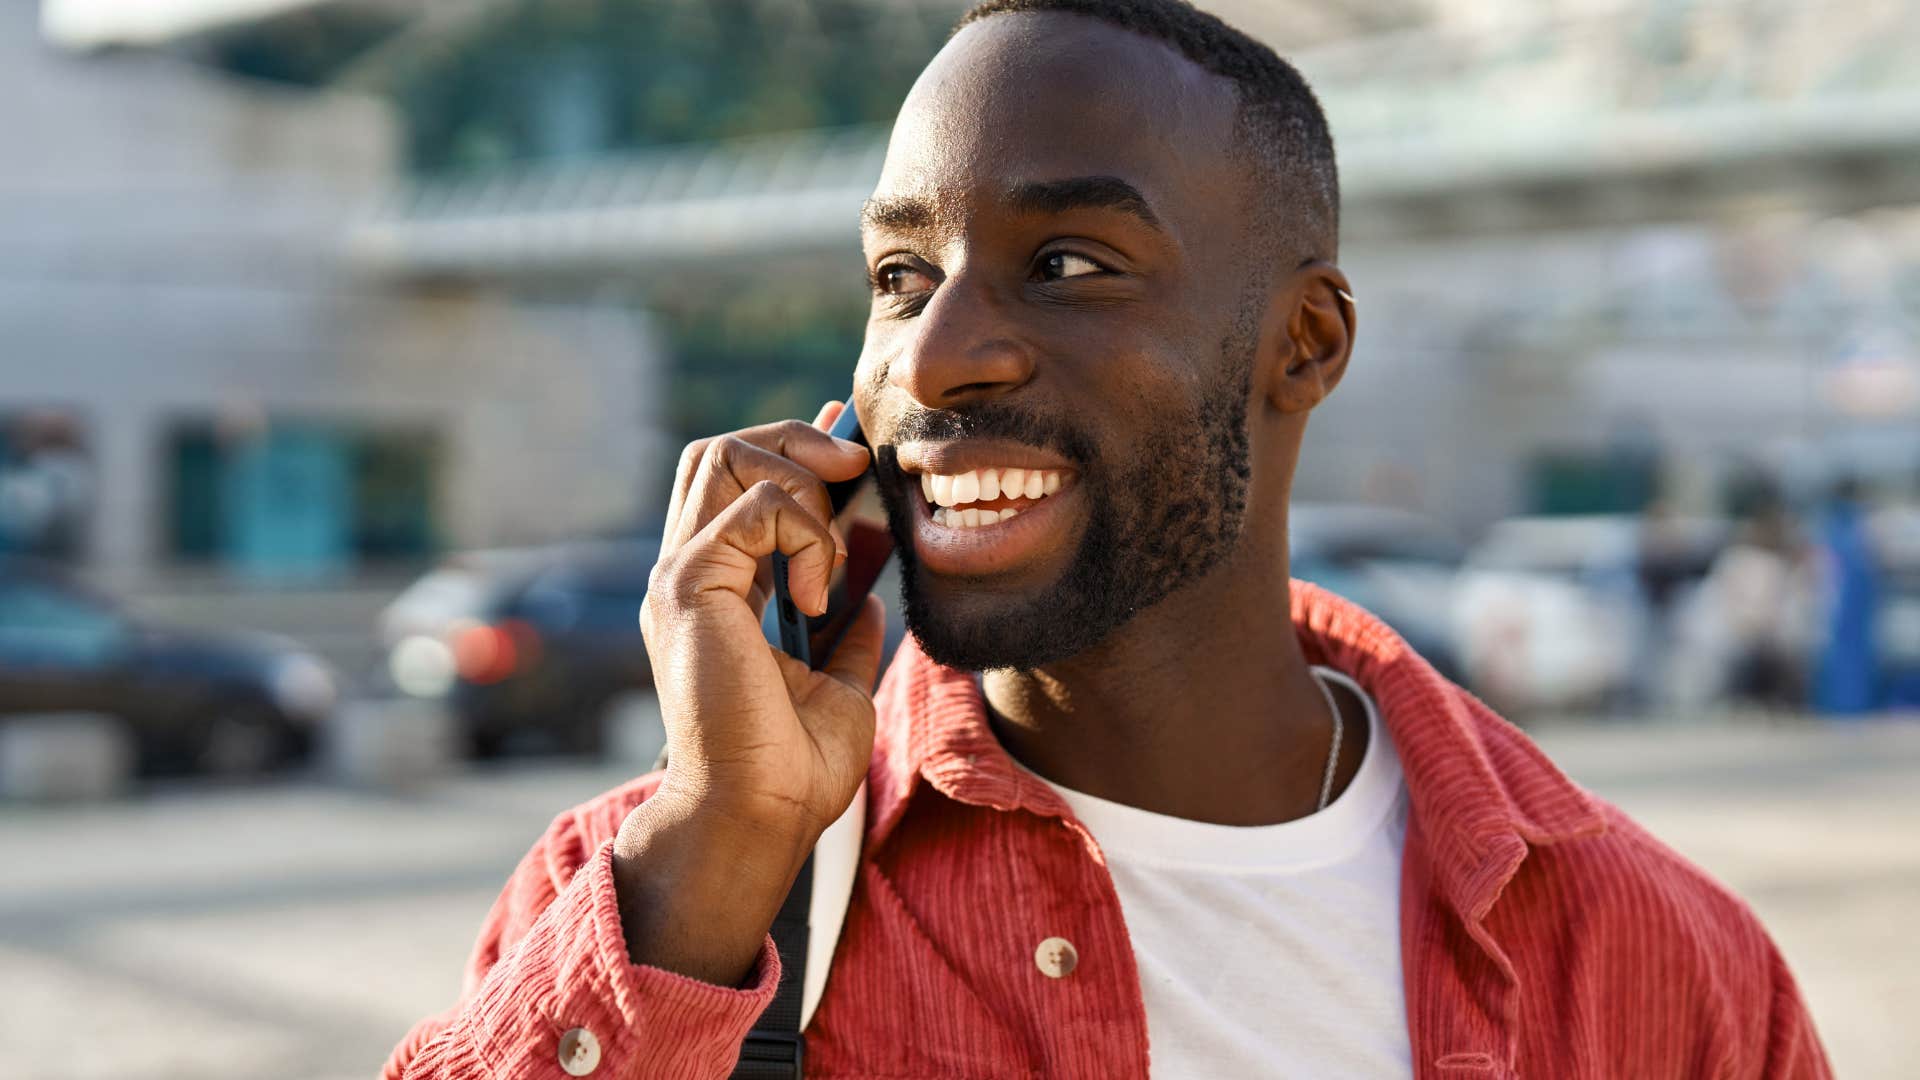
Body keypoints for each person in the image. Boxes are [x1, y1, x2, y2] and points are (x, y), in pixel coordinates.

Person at [388, 2, 1831, 1076]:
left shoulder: (1661, 966)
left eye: (1069, 264)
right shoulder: (661, 900)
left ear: (1305, 344)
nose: (935, 359)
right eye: (901, 275)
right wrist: (713, 861)